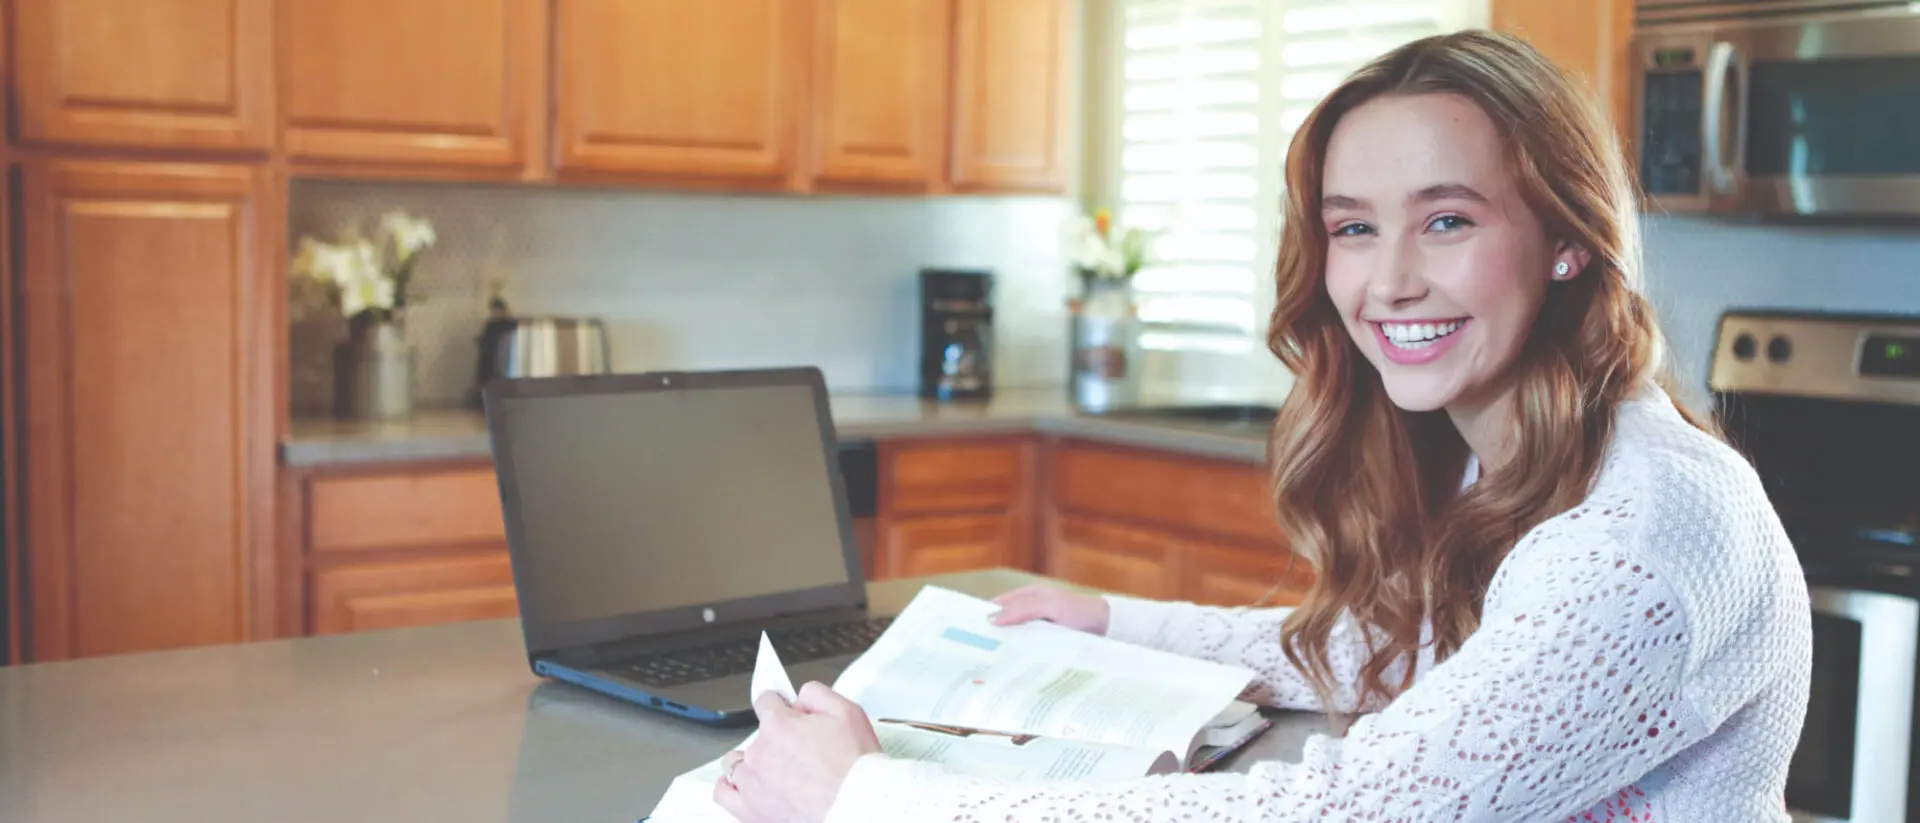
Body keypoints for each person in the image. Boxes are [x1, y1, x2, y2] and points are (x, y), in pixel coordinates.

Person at [710, 29, 1812, 823]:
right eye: (1353, 227)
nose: (1389, 281)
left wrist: (866, 795)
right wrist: (1117, 622)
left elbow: (1357, 809)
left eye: (1446, 220)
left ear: (1568, 240)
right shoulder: (1528, 458)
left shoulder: (1634, 534)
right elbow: (1395, 653)